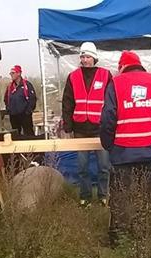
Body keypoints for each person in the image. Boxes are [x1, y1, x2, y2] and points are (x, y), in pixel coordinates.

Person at [100, 51, 151, 246]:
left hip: (123, 152)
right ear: (139, 65)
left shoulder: (115, 83)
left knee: (121, 197)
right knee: (145, 196)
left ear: (122, 66)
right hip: (149, 151)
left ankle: (119, 241)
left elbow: (107, 118)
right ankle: (143, 236)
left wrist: (108, 145)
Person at [62, 42, 112, 207]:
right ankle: (85, 197)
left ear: (94, 58)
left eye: (88, 56)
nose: (85, 59)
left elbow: (112, 103)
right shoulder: (73, 76)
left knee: (104, 166)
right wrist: (67, 127)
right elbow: (67, 103)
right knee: (83, 167)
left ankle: (103, 196)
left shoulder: (106, 75)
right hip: (80, 129)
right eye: (82, 56)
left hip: (100, 129)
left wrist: (110, 125)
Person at [3, 65, 37, 136]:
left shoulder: (26, 85)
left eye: (13, 73)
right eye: (10, 73)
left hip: (25, 115)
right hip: (13, 116)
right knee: (15, 134)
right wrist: (8, 109)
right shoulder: (10, 86)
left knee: (28, 133)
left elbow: (32, 99)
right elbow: (6, 99)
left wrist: (28, 111)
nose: (11, 75)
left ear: (19, 73)